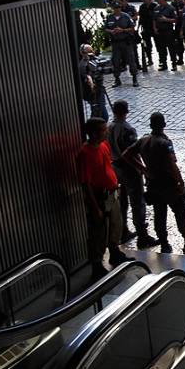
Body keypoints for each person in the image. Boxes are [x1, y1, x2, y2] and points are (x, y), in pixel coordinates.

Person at [122, 113, 185, 255]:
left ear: (150, 125)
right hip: (169, 184)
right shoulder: (164, 143)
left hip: (153, 184)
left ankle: (164, 244)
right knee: (181, 214)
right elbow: (172, 165)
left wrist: (143, 169)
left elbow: (126, 154)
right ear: (164, 125)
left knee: (159, 215)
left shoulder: (143, 140)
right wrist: (181, 183)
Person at [76, 118, 133, 279]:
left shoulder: (104, 146)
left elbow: (107, 166)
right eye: (103, 130)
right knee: (98, 232)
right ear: (94, 133)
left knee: (116, 224)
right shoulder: (85, 154)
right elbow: (85, 183)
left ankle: (115, 252)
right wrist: (95, 207)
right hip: (99, 198)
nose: (106, 132)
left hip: (111, 193)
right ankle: (96, 264)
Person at [107, 100, 156, 248]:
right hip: (129, 169)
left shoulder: (109, 127)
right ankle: (142, 235)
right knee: (137, 202)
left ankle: (123, 230)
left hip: (115, 167)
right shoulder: (127, 129)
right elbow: (131, 153)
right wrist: (143, 168)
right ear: (126, 112)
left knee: (122, 201)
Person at [105, 2, 139, 88]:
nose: (117, 10)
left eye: (118, 8)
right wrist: (111, 31)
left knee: (131, 59)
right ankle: (117, 79)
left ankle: (134, 78)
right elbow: (105, 28)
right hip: (115, 43)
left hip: (126, 42)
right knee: (115, 60)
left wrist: (122, 30)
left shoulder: (126, 16)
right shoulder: (110, 17)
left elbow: (132, 28)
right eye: (115, 8)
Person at [78, 44, 108, 121]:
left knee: (99, 111)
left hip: (99, 88)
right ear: (83, 53)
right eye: (89, 52)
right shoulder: (83, 65)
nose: (92, 53)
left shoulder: (95, 60)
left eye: (92, 51)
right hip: (91, 92)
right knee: (100, 113)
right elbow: (87, 77)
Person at [153, 0, 178, 71]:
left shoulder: (171, 8)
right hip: (159, 31)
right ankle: (164, 64)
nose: (157, 0)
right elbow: (154, 19)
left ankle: (174, 64)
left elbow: (175, 20)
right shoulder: (156, 8)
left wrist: (166, 20)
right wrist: (154, 28)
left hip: (168, 31)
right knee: (161, 48)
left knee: (171, 48)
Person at [118, 0, 141, 74]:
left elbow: (136, 17)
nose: (121, 3)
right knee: (122, 49)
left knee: (133, 49)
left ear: (126, 1)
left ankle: (137, 65)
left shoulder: (131, 8)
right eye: (120, 1)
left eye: (122, 1)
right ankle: (124, 65)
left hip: (131, 31)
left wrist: (128, 19)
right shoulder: (119, 9)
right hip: (122, 32)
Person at [137, 0, 156, 72]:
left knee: (159, 44)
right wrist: (138, 28)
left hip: (154, 28)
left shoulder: (154, 6)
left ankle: (162, 60)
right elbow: (140, 18)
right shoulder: (142, 6)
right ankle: (149, 59)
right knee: (146, 45)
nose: (144, 0)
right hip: (145, 28)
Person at [170, 0, 185, 66]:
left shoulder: (183, 3)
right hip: (178, 25)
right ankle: (180, 58)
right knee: (178, 43)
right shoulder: (172, 4)